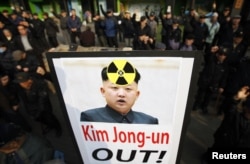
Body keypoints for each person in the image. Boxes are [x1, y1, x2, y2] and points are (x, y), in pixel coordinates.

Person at [80, 63, 158, 124]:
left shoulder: (149, 122)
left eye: (128, 89)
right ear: (103, 91)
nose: (121, 94)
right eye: (115, 88)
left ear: (137, 94)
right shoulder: (90, 118)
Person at [14, 72, 62, 136]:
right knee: (41, 120)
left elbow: (42, 100)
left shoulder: (39, 84)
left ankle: (58, 128)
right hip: (31, 108)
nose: (21, 84)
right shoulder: (20, 87)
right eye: (19, 83)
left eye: (22, 82)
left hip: (43, 108)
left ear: (29, 80)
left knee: (50, 118)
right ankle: (50, 125)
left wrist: (38, 112)